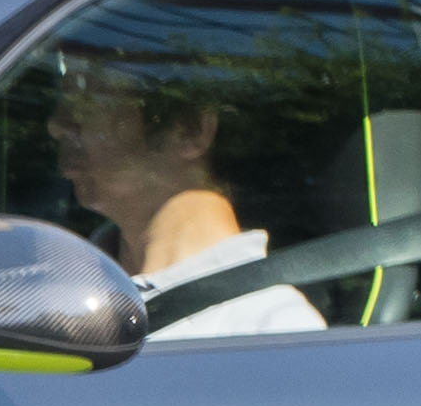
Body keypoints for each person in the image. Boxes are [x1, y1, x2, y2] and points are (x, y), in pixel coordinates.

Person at [48, 65, 324, 338]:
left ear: (189, 129)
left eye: (89, 97)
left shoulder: (272, 327)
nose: (57, 124)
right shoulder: (58, 286)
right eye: (66, 92)